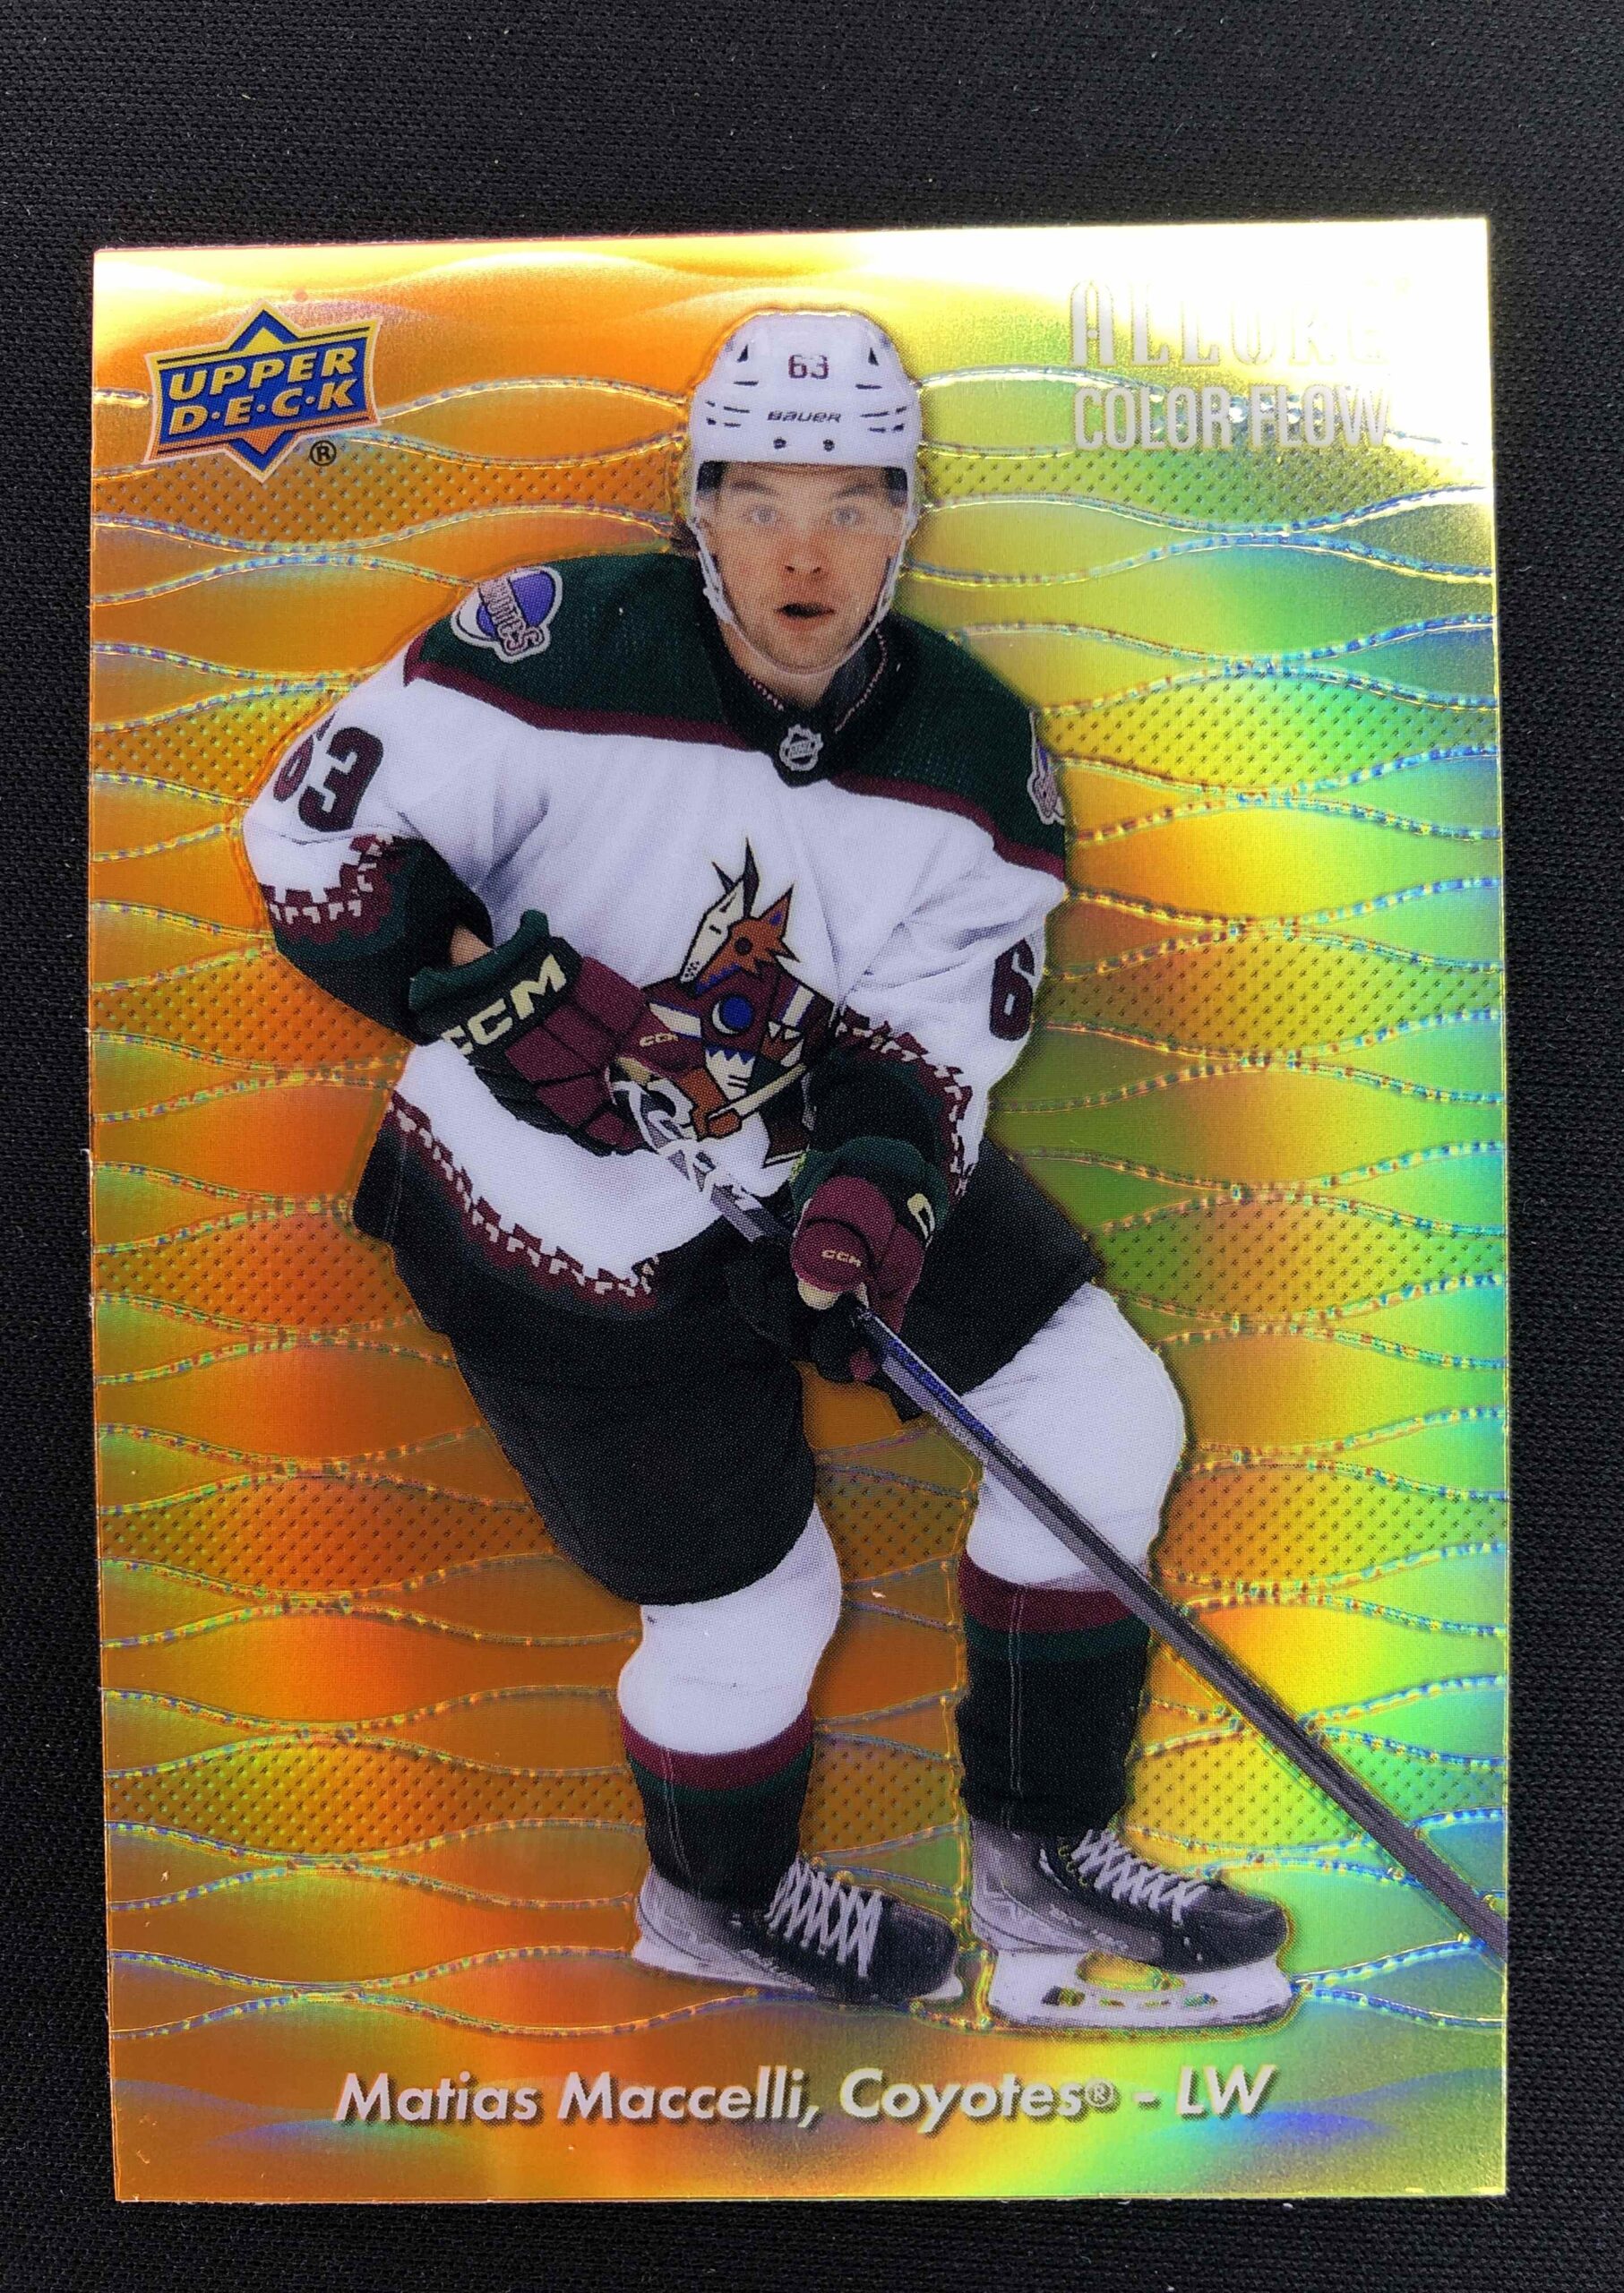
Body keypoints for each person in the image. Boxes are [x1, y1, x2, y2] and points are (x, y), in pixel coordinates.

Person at [242, 310, 1291, 2027]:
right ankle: (712, 1903)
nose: (805, 553)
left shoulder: (977, 758)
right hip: (547, 1223)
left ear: (908, 516)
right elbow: (309, 834)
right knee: (756, 1610)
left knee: (1100, 1410)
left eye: (854, 504)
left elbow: (932, 1036)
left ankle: (1042, 1852)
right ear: (697, 506)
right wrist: (479, 985)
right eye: (760, 502)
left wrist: (872, 1194)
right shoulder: (552, 648)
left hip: (795, 1136)